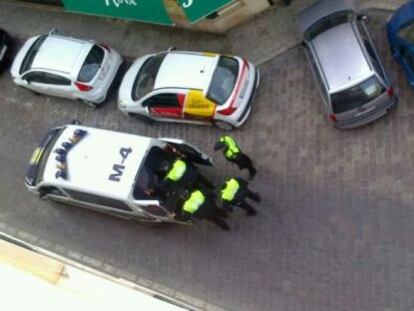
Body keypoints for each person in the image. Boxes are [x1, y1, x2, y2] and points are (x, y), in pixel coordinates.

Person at [147, 157, 213, 197]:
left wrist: (151, 186)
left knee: (199, 188)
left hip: (191, 181)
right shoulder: (177, 162)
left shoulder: (170, 175)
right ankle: (211, 187)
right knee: (204, 181)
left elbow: (162, 184)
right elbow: (186, 161)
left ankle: (209, 193)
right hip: (194, 173)